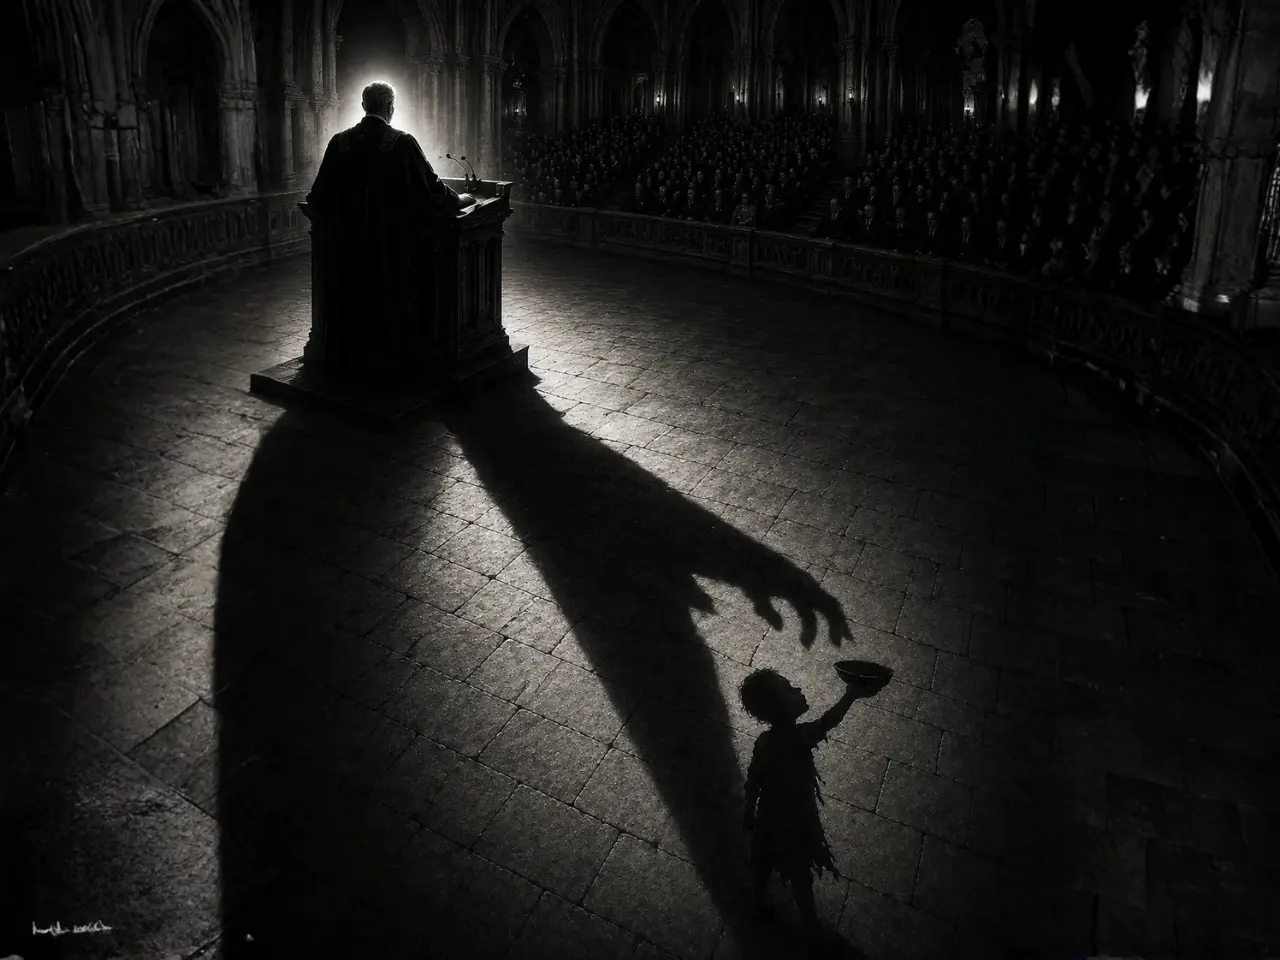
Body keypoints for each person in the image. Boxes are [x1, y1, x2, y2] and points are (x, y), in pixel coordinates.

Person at [303, 81, 465, 382]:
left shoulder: (339, 142)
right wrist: (459, 199)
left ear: (364, 106)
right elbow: (431, 191)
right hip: (389, 252)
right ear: (390, 107)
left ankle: (348, 366)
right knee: (389, 308)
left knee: (352, 306)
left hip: (346, 253)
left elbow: (317, 198)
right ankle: (388, 371)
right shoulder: (401, 143)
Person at [740, 669, 863, 937]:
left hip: (768, 819)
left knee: (762, 863)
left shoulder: (764, 742)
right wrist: (850, 696)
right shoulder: (798, 738)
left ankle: (756, 903)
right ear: (779, 707)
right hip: (796, 821)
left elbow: (754, 778)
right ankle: (808, 921)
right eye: (790, 690)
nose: (798, 689)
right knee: (799, 873)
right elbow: (828, 721)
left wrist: (749, 809)